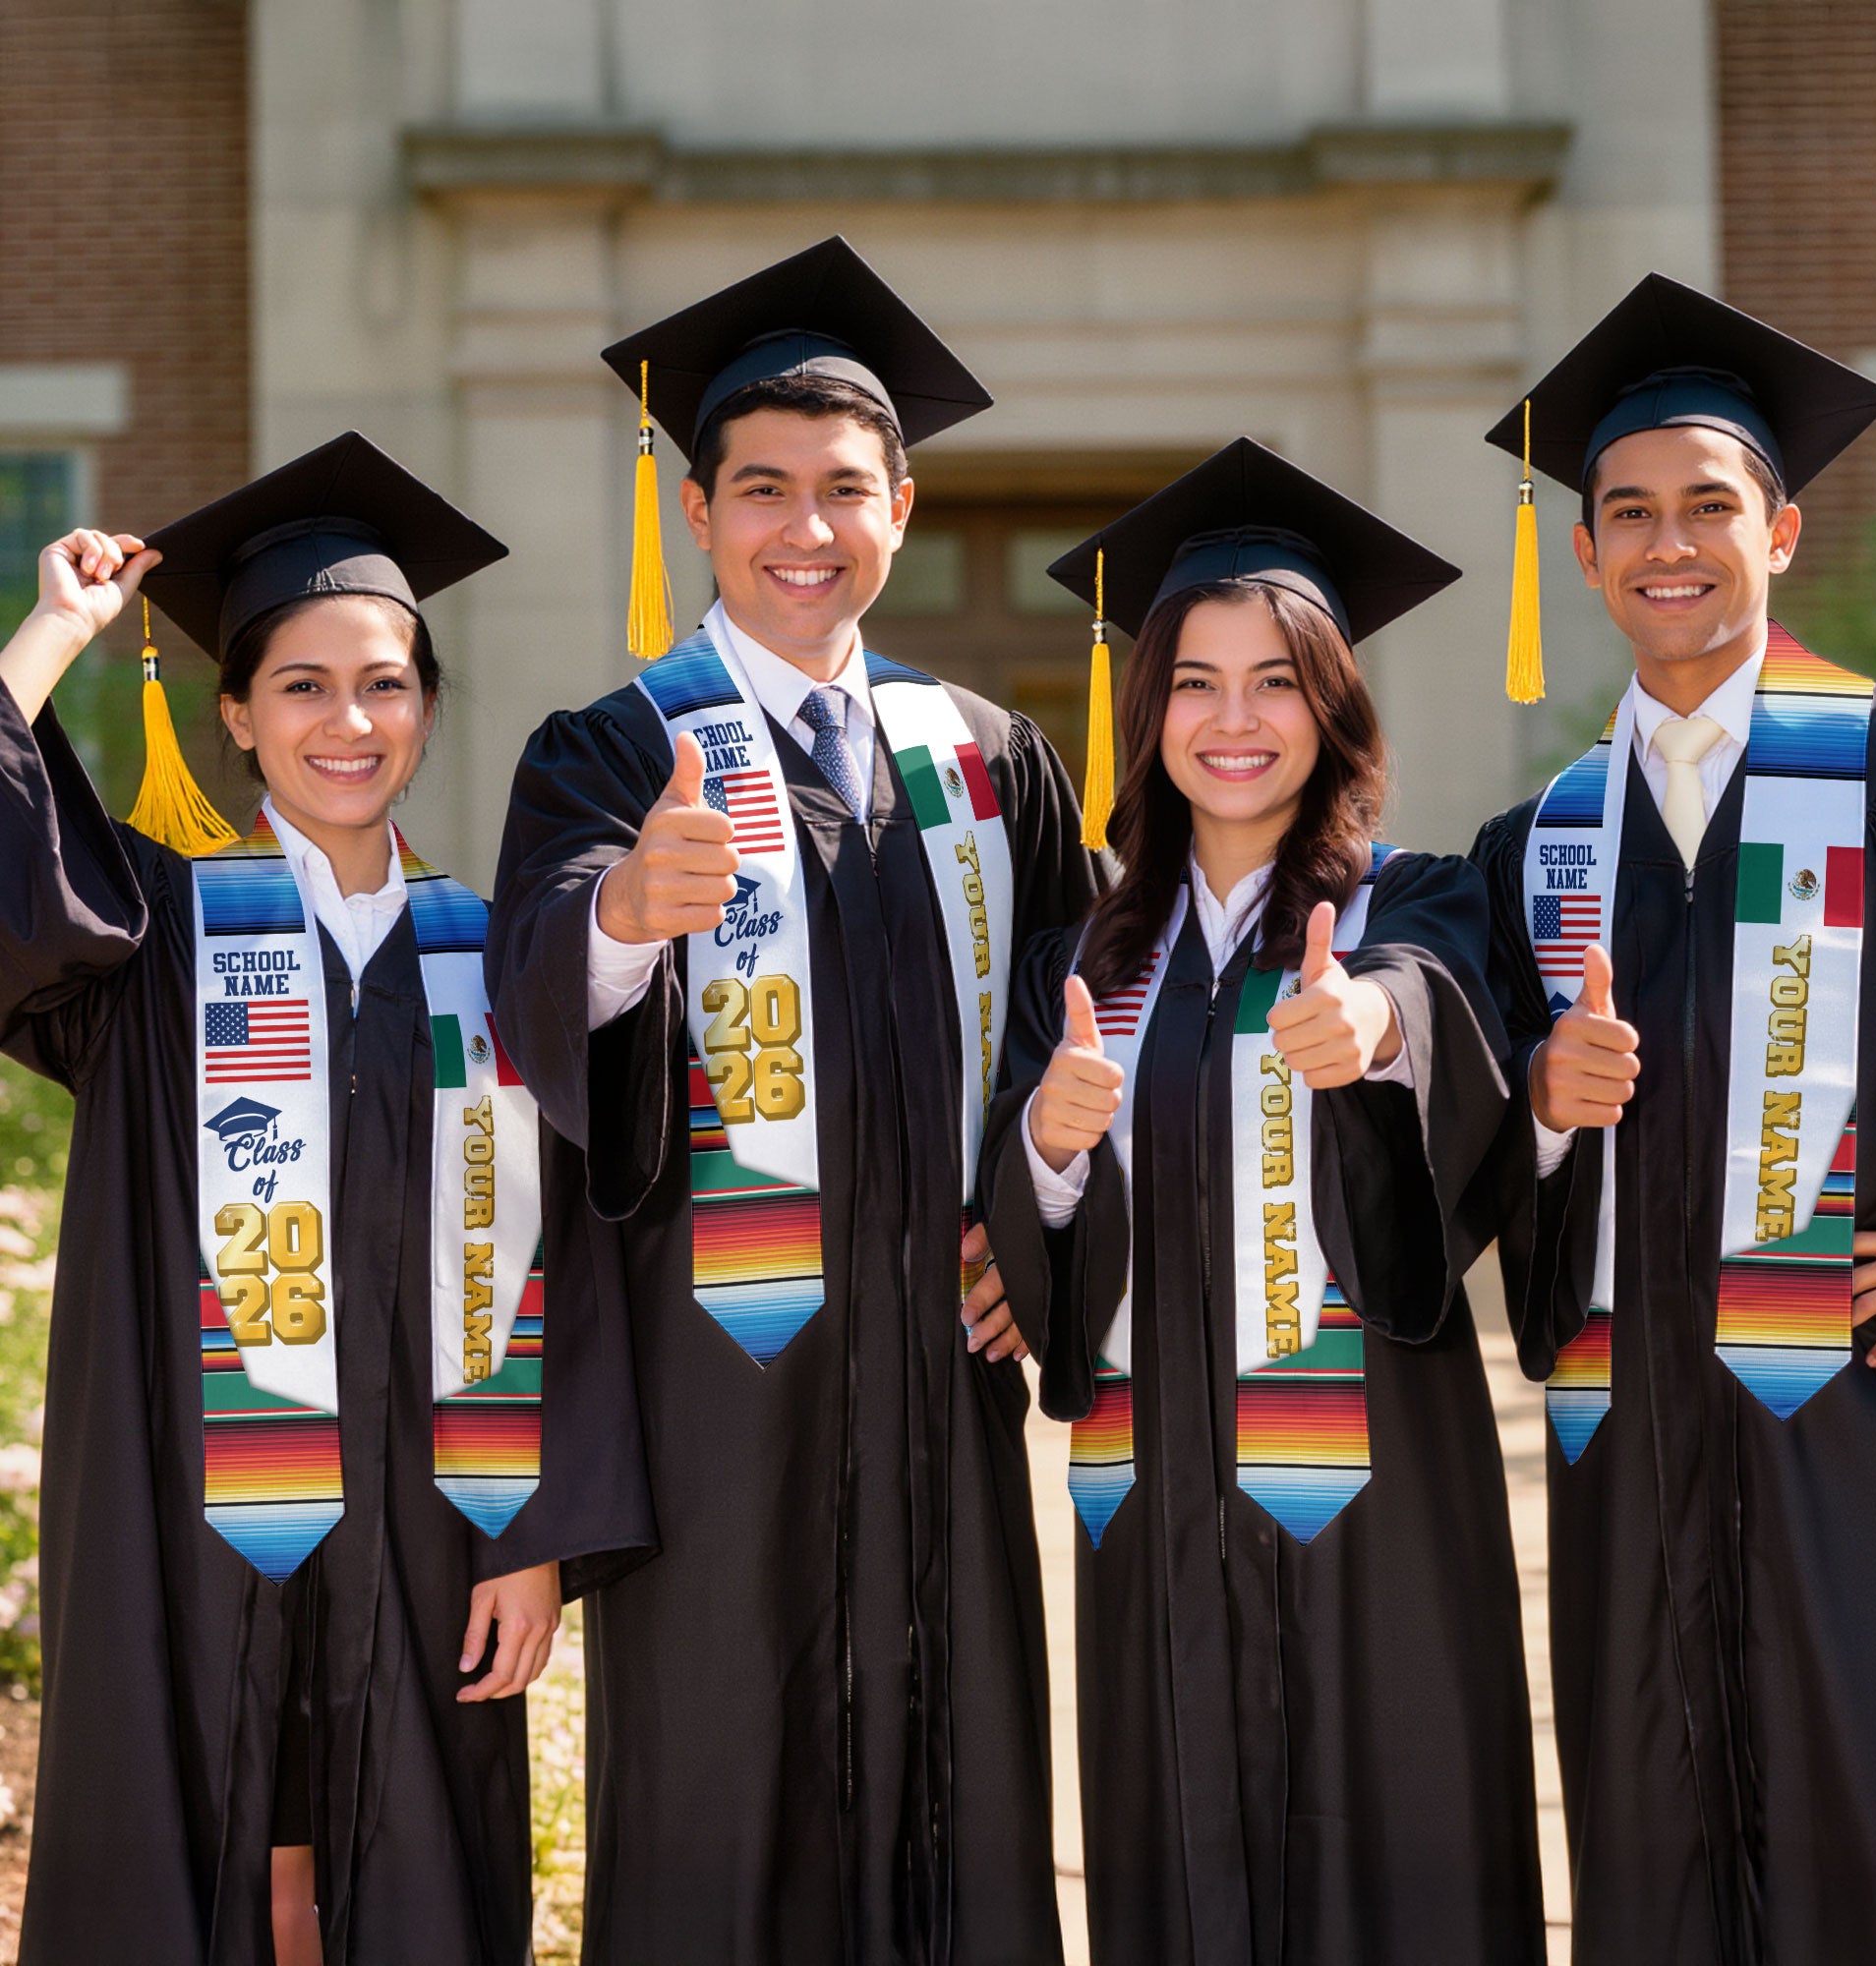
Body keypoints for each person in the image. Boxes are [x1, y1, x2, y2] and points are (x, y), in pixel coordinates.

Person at [485, 237, 1101, 1965]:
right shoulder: (615, 749)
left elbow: (1083, 1017)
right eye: (762, 489)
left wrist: (1036, 1222)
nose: (804, 528)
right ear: (698, 512)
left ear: (902, 506)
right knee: (724, 1800)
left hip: (941, 1381)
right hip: (721, 1390)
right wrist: (623, 916)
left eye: (843, 489)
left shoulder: (985, 757)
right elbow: (537, 992)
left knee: (956, 1786)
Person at [0, 433, 652, 1966]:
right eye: (301, 685)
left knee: (412, 1865)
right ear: (235, 713)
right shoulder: (155, 934)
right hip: (187, 1508)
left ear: (426, 706)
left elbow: (581, 1263)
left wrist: (537, 1535)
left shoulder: (499, 955)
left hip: (436, 1519)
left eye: (385, 684)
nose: (347, 721)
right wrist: (54, 633)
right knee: (199, 1835)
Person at [981, 438, 1546, 1965]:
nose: (1234, 721)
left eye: (1277, 682)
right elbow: (1027, 1230)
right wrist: (1047, 1143)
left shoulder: (1411, 900)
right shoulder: (1085, 960)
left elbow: (1438, 1008)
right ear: (1147, 711)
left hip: (1375, 1499)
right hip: (1154, 1497)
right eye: (1195, 683)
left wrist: (1374, 1029)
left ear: (1334, 705)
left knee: (1398, 1864)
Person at [1472, 274, 1876, 1965]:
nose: (1667, 543)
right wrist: (1539, 1108)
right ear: (1585, 551)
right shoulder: (1541, 843)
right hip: (1633, 1442)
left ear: (1783, 531)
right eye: (1628, 513)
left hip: (1864, 1415)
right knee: (1655, 1852)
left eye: (1708, 506)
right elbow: (1469, 1145)